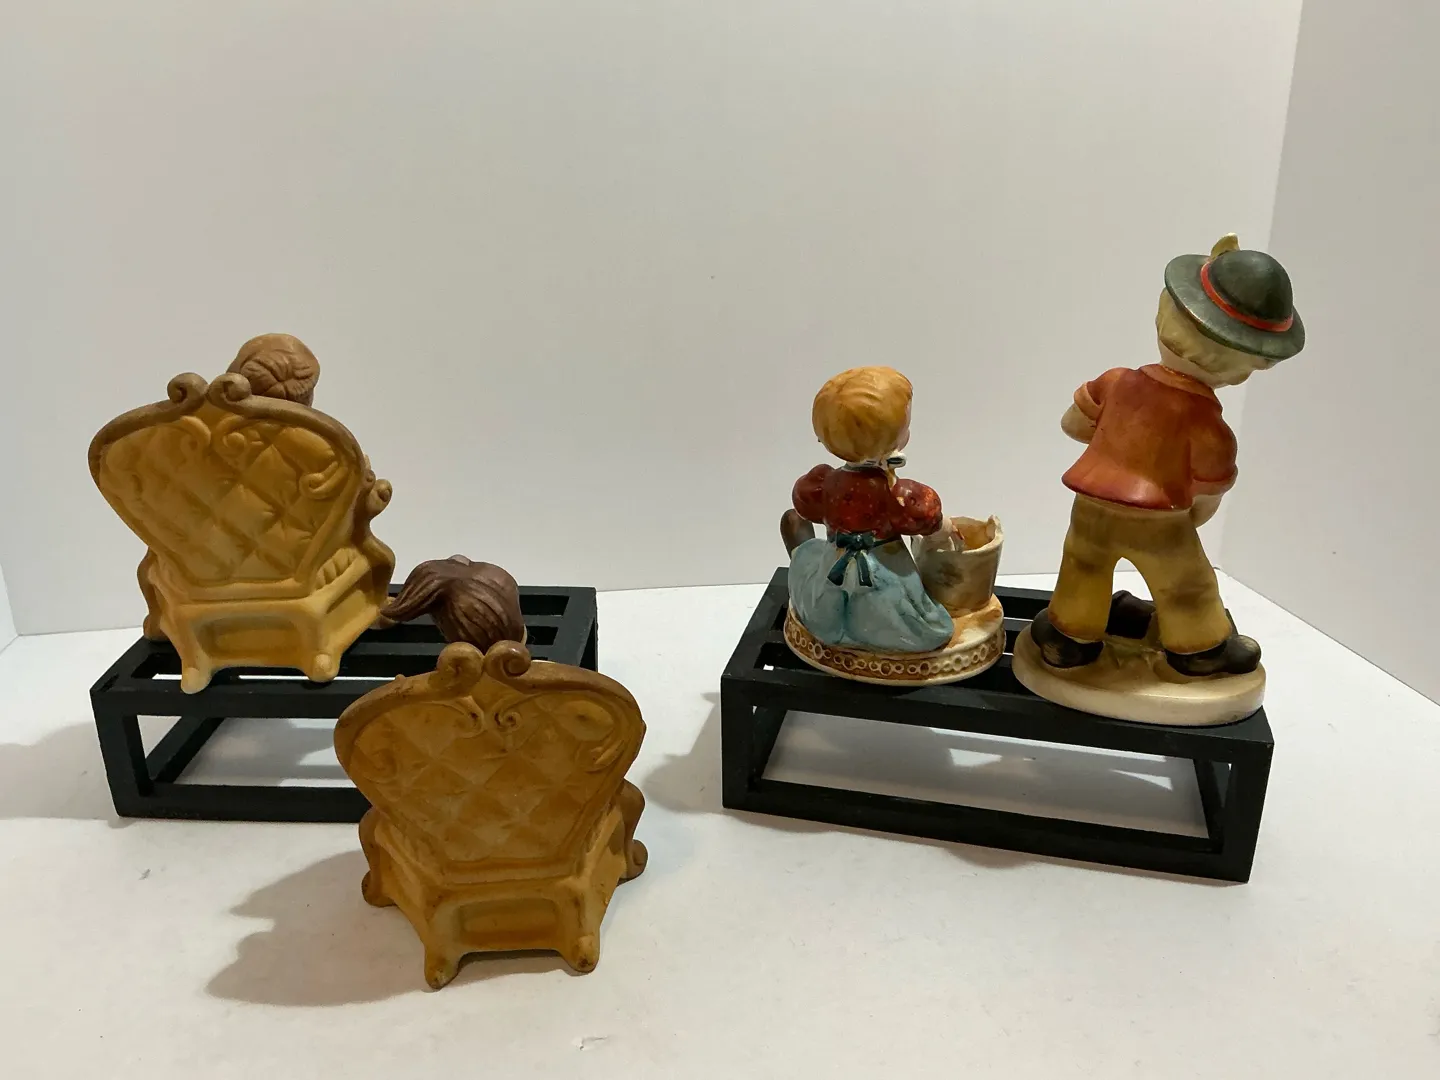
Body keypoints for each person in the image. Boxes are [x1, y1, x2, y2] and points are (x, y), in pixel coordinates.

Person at [1032, 235, 1305, 676]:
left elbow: (1073, 424)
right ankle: (1200, 648)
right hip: (1159, 521)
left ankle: (1069, 636)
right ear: (1244, 367)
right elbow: (1206, 497)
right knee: (1185, 583)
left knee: (1083, 564)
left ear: (1163, 316)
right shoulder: (1208, 425)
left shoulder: (1115, 381)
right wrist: (1187, 519)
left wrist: (1115, 447)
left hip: (1091, 506)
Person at [786, 366, 953, 652]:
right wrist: (946, 530)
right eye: (905, 427)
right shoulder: (895, 493)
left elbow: (805, 506)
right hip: (885, 568)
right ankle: (880, 636)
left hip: (835, 561)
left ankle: (836, 625)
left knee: (825, 589)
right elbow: (928, 521)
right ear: (892, 441)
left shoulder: (825, 482)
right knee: (914, 621)